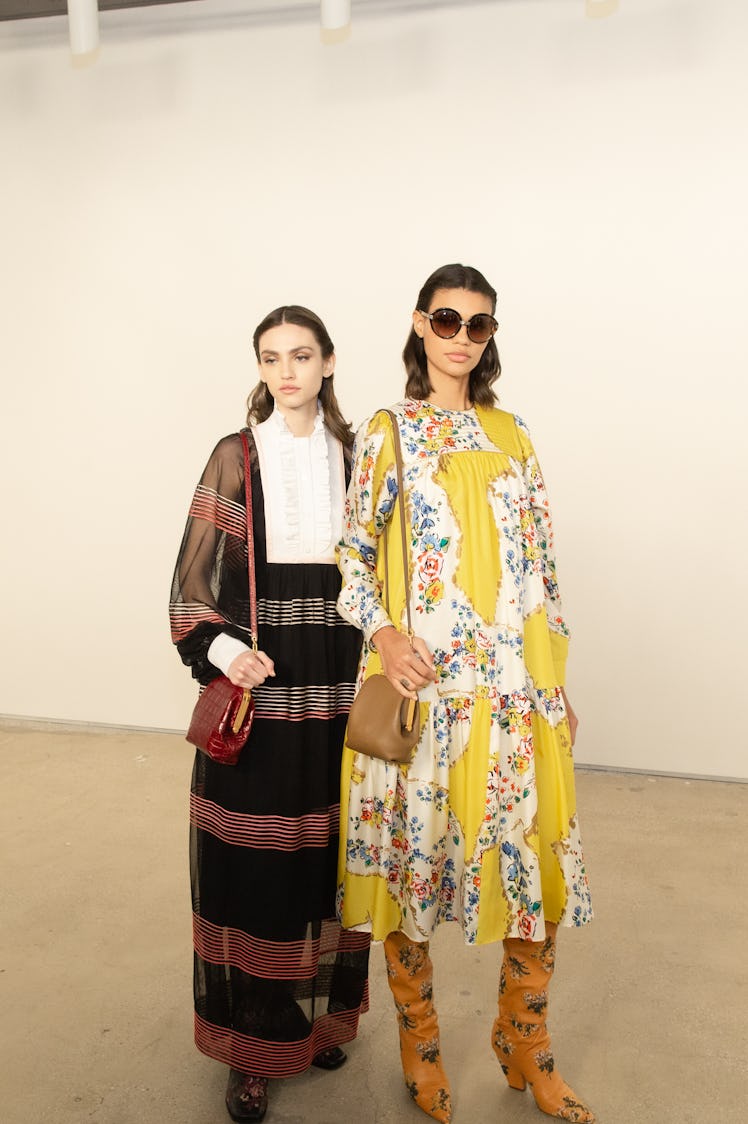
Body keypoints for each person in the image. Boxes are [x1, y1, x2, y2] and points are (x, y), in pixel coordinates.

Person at [336, 264, 594, 1123]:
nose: (460, 336)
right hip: (427, 695)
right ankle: (422, 1044)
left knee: (532, 875)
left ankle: (525, 1037)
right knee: (416, 875)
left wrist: (555, 687)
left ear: (489, 337)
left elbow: (543, 577)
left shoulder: (512, 434)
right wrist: (383, 633)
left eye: (478, 325)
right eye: (446, 319)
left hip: (514, 697)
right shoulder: (386, 431)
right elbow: (353, 558)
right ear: (419, 325)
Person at [170, 306, 370, 1123]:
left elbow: (388, 574)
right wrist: (227, 653)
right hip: (266, 669)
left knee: (332, 849)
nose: (286, 370)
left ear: (328, 363)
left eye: (301, 355)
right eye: (271, 357)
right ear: (261, 369)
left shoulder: (359, 456)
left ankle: (319, 1020)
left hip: (341, 672)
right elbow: (189, 589)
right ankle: (251, 1050)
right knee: (259, 861)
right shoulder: (236, 454)